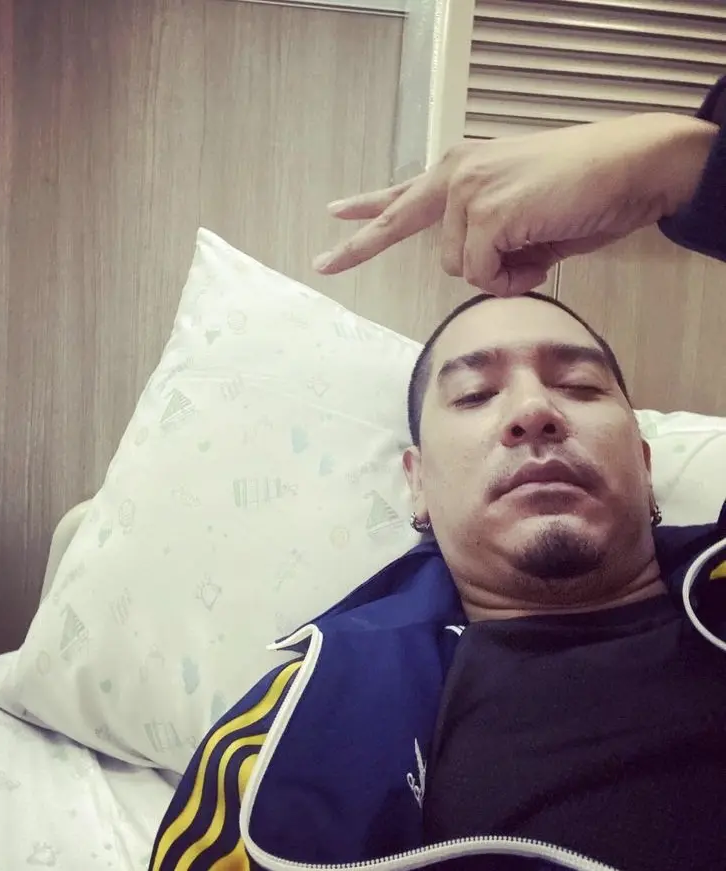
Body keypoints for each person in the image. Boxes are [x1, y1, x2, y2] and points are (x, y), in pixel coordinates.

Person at [147, 79, 726, 871]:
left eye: (579, 386)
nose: (533, 411)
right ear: (417, 484)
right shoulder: (295, 733)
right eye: (477, 395)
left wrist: (683, 169)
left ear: (646, 462)